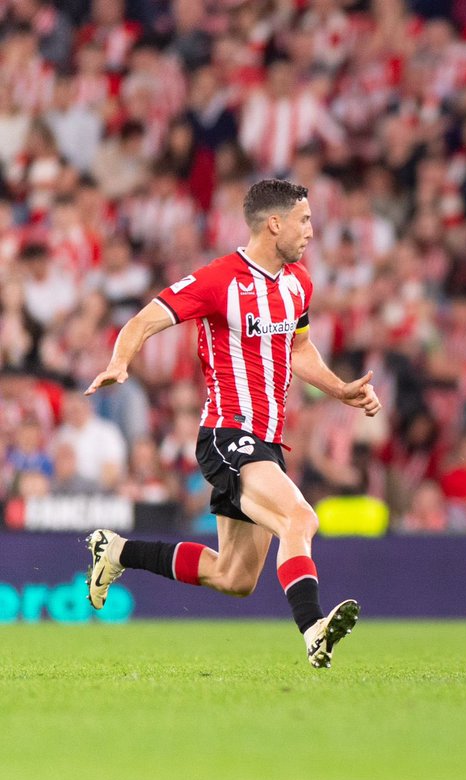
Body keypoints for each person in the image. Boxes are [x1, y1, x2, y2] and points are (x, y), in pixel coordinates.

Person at [83, 179, 381, 669]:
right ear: (274, 224)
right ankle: (313, 630)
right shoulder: (219, 280)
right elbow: (141, 322)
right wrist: (121, 361)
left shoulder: (298, 283)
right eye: (304, 220)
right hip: (228, 434)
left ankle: (116, 552)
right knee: (300, 518)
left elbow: (299, 349)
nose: (311, 230)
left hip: (268, 440)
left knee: (234, 576)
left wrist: (340, 389)